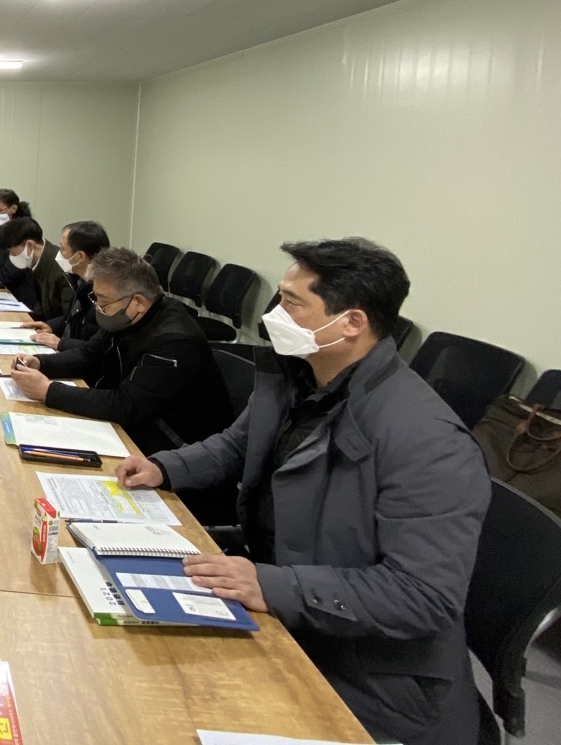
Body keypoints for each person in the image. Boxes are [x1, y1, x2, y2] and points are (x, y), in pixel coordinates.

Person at [114, 238, 490, 745]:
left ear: (351, 323)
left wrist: (272, 586)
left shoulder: (427, 439)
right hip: (287, 600)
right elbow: (237, 444)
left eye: (292, 302)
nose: (274, 314)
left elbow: (421, 595)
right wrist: (163, 467)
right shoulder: (300, 374)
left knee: (167, 707)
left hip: (369, 672)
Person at [9, 247, 232, 464]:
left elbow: (126, 405)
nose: (98, 307)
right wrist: (40, 363)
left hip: (174, 447)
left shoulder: (174, 341)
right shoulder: (125, 315)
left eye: (104, 301)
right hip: (136, 425)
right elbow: (89, 355)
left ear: (138, 302)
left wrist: (49, 391)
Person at [22, 220, 109, 350]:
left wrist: (61, 343)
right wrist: (51, 326)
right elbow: (73, 318)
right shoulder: (79, 280)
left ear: (79, 256)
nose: (59, 253)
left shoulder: (103, 294)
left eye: (62, 249)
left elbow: (99, 348)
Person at [0, 217, 74, 322]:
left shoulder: (63, 268)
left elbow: (70, 316)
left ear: (30, 245)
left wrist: (48, 326)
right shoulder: (32, 262)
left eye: (12, 251)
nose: (11, 255)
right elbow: (38, 303)